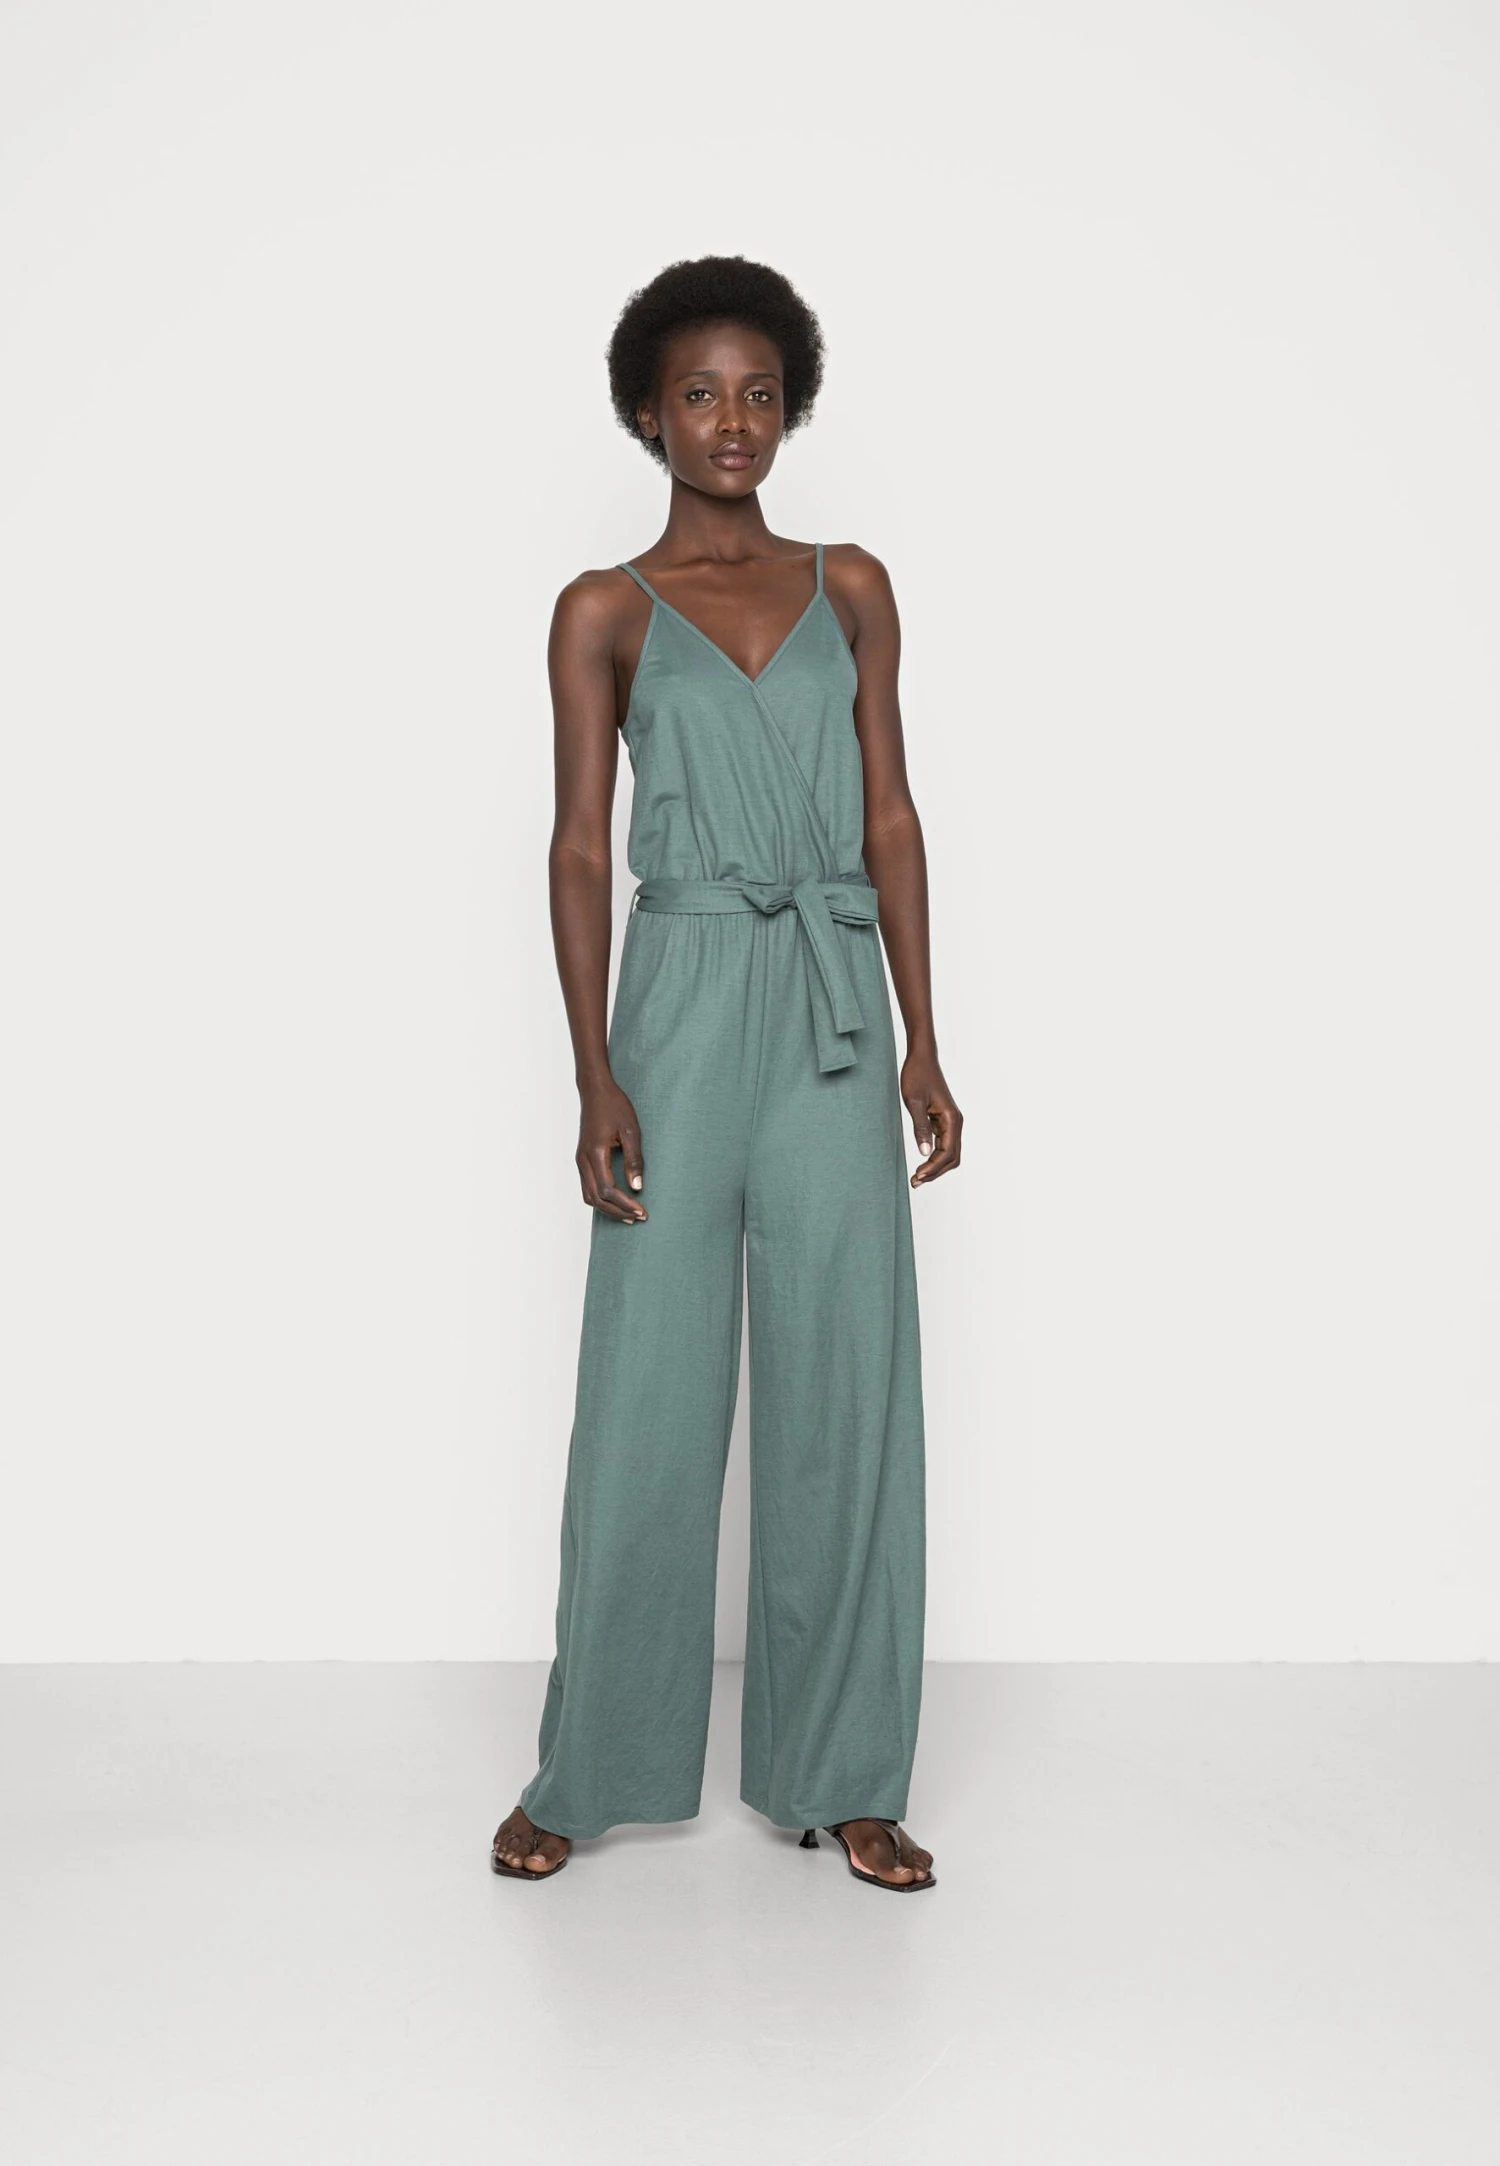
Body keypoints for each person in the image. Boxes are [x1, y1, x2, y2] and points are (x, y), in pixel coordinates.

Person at [492, 255, 961, 1893]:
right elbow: (578, 846)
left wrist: (924, 1035)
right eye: (700, 393)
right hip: (680, 997)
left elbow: (890, 814)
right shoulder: (604, 609)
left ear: (791, 406)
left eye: (760, 391)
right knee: (647, 1389)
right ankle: (590, 1766)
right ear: (648, 412)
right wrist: (591, 1075)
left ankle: (849, 1776)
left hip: (833, 998)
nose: (733, 419)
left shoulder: (854, 588)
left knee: (847, 1388)